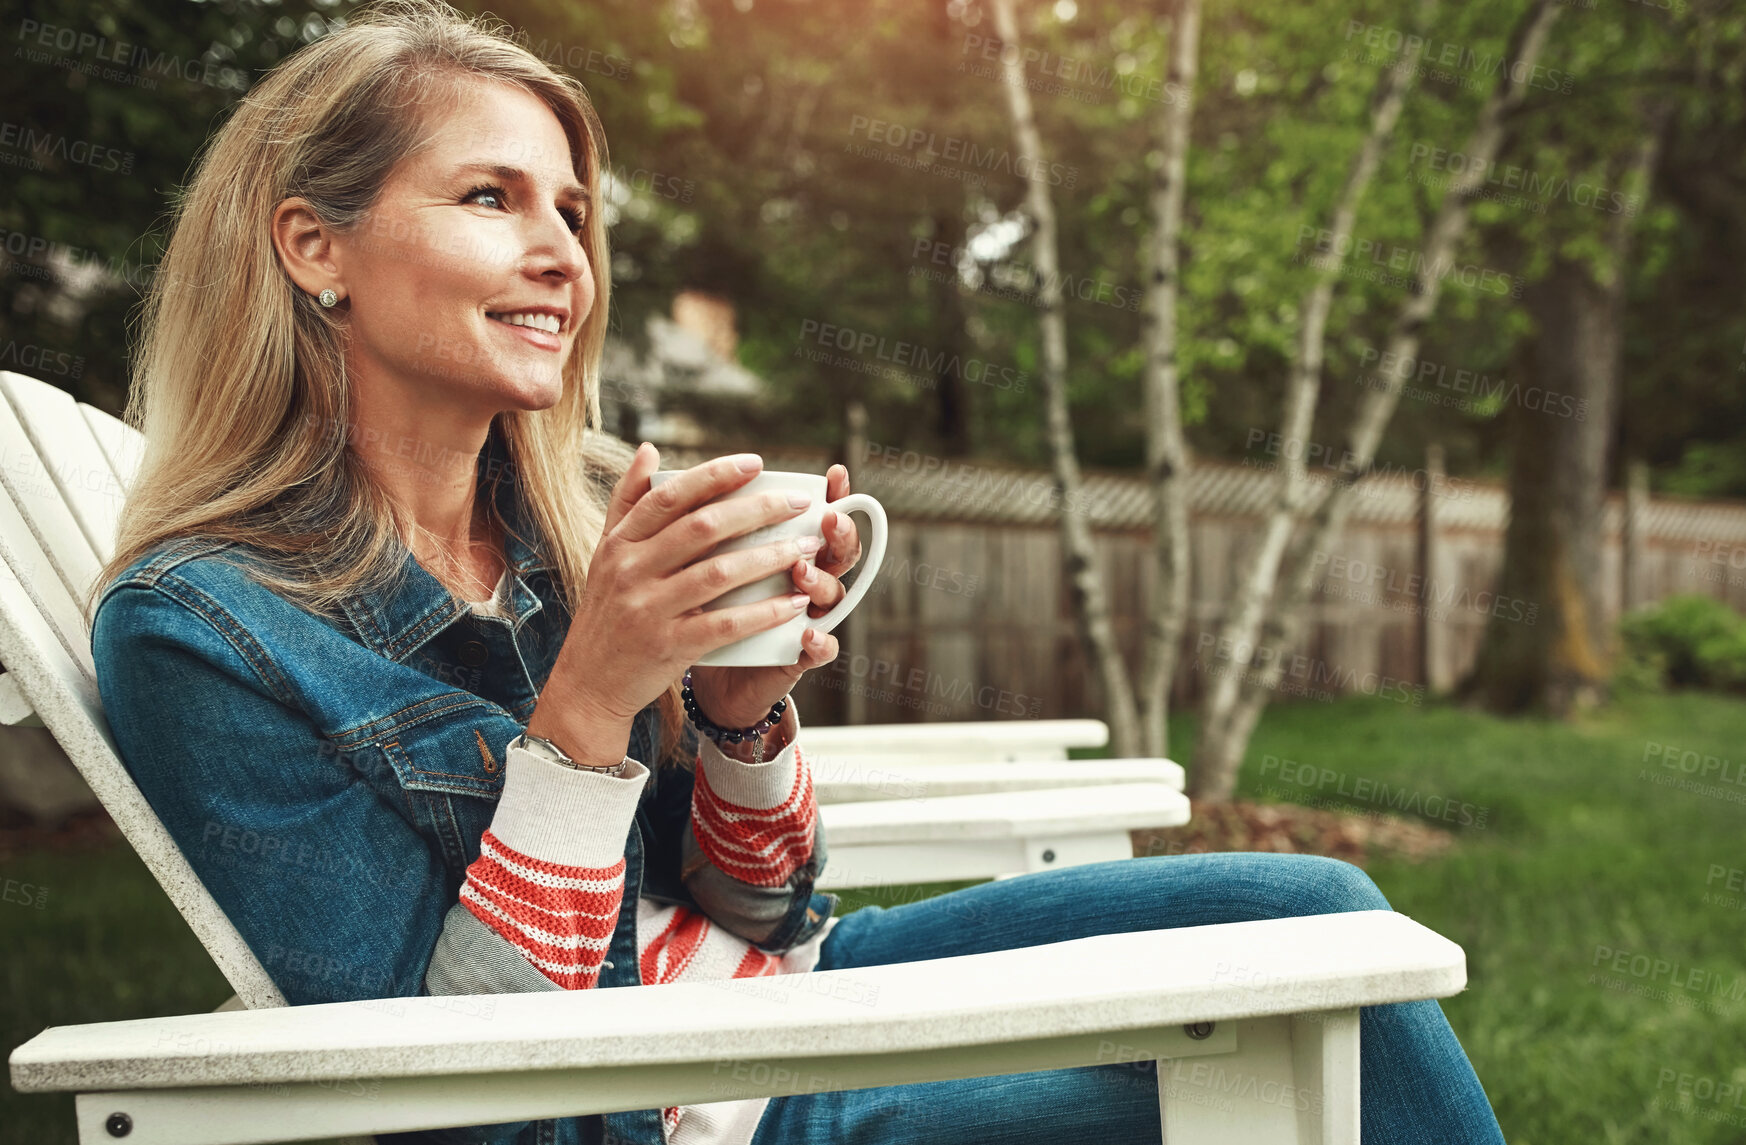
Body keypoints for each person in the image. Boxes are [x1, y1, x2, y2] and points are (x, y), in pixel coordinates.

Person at [86, 2, 1506, 1143]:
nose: (560, 256)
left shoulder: (559, 531)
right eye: (491, 197)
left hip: (788, 986)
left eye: (572, 213)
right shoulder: (205, 631)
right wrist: (585, 712)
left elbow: (765, 905)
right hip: (695, 1093)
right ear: (312, 245)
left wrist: (738, 707)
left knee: (1320, 909)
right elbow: (471, 1103)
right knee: (1322, 1060)